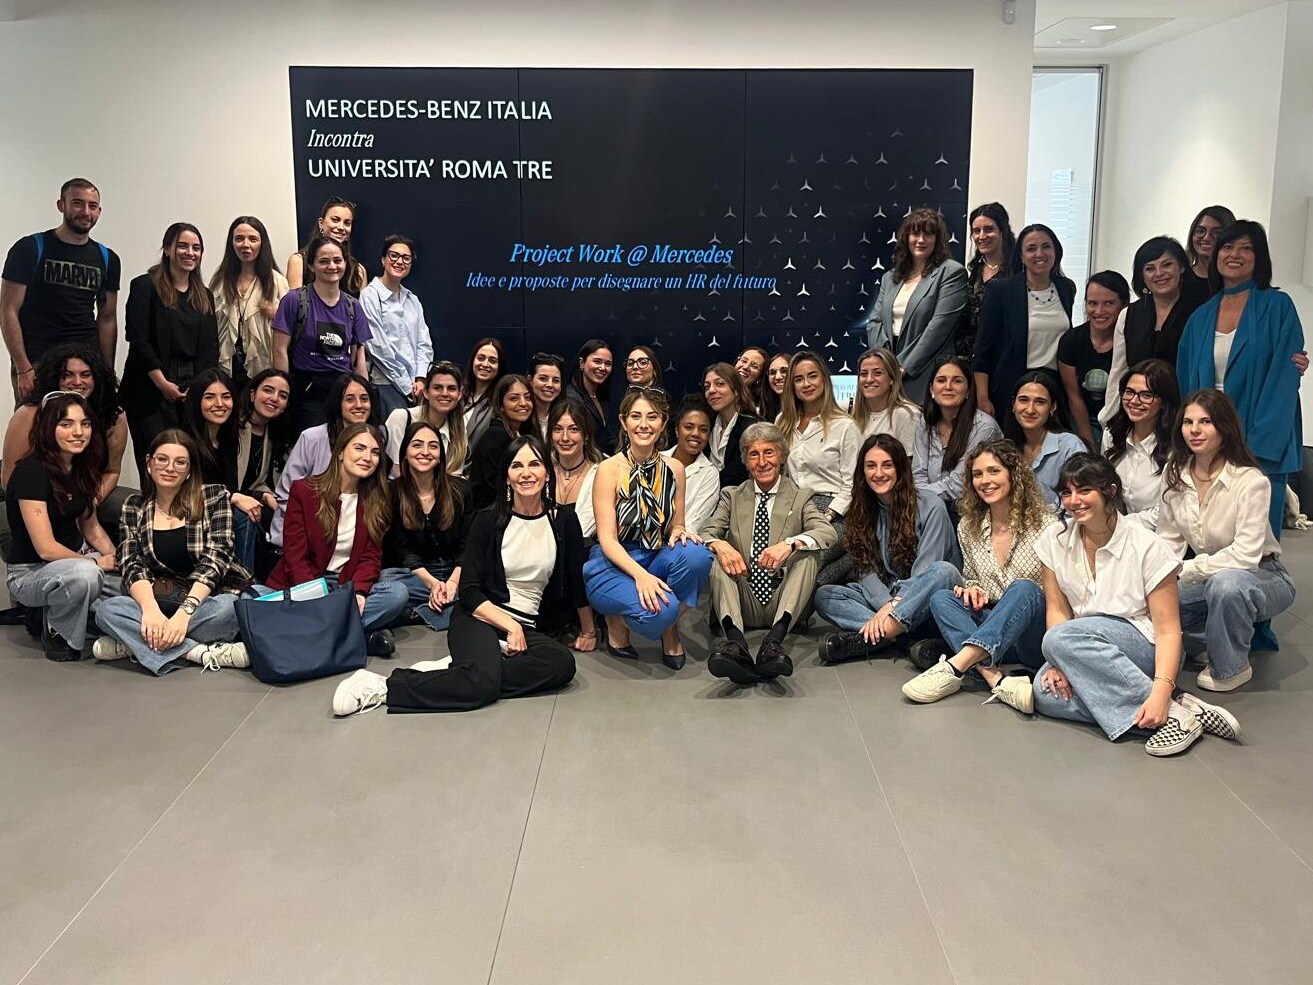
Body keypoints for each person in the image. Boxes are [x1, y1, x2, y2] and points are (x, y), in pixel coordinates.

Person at [332, 436, 580, 716]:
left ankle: (466, 670)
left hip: (529, 624)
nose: (526, 473)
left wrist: (590, 630)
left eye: (534, 464)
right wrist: (511, 627)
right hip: (480, 617)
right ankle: (385, 687)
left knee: (561, 664)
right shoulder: (487, 521)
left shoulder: (563, 520)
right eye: (516, 466)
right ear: (506, 478)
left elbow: (574, 578)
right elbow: (471, 592)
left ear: (547, 472)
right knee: (481, 686)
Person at [1032, 455, 1239, 757]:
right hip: (1079, 645)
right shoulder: (1054, 539)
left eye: (1084, 490)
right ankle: (1179, 709)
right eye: (1066, 492)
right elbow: (1057, 610)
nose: (1074, 501)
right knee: (1044, 694)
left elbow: (1168, 631)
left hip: (1144, 644)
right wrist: (1057, 662)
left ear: (1110, 491)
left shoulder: (1147, 545)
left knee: (1060, 640)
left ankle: (1166, 705)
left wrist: (1161, 686)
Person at [1157, 390, 1296, 692]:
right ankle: (1208, 641)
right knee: (1156, 599)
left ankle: (1230, 667)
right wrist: (1160, 578)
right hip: (1211, 576)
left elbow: (1246, 556)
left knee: (1227, 586)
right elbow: (1167, 541)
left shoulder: (1251, 481)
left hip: (1263, 574)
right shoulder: (1175, 474)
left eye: (1205, 421)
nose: (1194, 430)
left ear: (1224, 427)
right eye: (1188, 422)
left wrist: (1189, 570)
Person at [902, 439, 1057, 709]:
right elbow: (972, 576)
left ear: (1013, 474)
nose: (985, 480)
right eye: (977, 474)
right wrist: (970, 588)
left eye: (994, 471)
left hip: (1032, 632)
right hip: (993, 629)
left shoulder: (1047, 525)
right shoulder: (968, 526)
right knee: (942, 598)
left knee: (1024, 588)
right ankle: (996, 678)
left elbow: (1056, 593)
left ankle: (955, 667)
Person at [1177, 220, 1305, 535]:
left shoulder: (1278, 307)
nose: (1235, 254)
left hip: (1260, 442)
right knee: (1210, 534)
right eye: (1228, 247)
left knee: (1257, 542)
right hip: (1208, 439)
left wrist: (1254, 446)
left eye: (1246, 248)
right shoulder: (1201, 316)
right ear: (1216, 254)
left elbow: (1283, 383)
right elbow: (1186, 383)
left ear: (1259, 257)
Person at [92, 430, 252, 674]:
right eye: (162, 459)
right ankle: (198, 652)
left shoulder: (213, 497)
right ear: (149, 463)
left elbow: (216, 560)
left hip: (205, 599)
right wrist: (150, 611)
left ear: (189, 470)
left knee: (229, 609)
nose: (170, 468)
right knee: (107, 611)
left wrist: (183, 616)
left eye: (180, 462)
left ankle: (136, 643)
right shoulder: (133, 507)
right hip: (159, 597)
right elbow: (131, 564)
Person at [585, 388, 713, 670]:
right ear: (623, 422)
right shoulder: (608, 469)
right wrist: (641, 577)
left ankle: (669, 629)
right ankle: (616, 621)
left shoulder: (675, 468)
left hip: (656, 554)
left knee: (698, 556)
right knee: (661, 611)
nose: (644, 424)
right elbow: (607, 539)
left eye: (652, 417)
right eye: (636, 416)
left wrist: (681, 530)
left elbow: (676, 523)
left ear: (663, 423)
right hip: (615, 561)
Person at [700, 421, 837, 684]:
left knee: (808, 554)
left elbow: (826, 533)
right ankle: (736, 645)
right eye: (754, 454)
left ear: (782, 457)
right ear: (745, 461)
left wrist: (790, 543)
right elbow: (706, 531)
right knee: (717, 557)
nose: (762, 462)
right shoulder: (732, 496)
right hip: (744, 598)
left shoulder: (800, 497)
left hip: (782, 599)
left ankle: (774, 642)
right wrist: (721, 545)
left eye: (769, 453)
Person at [267, 423, 408, 657]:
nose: (367, 457)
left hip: (346, 586)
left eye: (375, 452)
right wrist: (315, 596)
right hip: (305, 584)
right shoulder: (304, 490)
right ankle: (357, 637)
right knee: (257, 596)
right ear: (341, 452)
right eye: (359, 448)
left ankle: (314, 635)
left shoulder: (378, 499)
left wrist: (360, 592)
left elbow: (371, 557)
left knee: (397, 594)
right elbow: (295, 555)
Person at [815, 434, 959, 663]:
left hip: (928, 598)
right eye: (871, 466)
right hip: (890, 598)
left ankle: (875, 636)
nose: (878, 473)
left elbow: (927, 571)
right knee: (826, 596)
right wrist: (887, 606)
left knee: (944, 571)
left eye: (887, 465)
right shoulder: (863, 509)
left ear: (901, 468)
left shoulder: (932, 505)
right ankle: (897, 635)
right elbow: (866, 568)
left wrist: (895, 605)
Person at [4, 392, 115, 660]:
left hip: (76, 560)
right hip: (31, 572)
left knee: (135, 587)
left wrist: (119, 559)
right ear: (47, 428)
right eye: (66, 424)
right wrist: (96, 564)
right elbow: (46, 549)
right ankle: (58, 632)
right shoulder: (31, 472)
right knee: (86, 576)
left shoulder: (82, 468)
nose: (78, 432)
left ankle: (72, 614)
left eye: (85, 424)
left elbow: (92, 529)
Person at [2, 178, 120, 399]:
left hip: (84, 363)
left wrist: (107, 372)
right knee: (33, 428)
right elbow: (8, 310)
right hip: (38, 361)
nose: (85, 211)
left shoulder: (107, 259)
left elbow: (107, 318)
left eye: (92, 206)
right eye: (78, 203)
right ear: (61, 205)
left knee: (85, 429)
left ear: (99, 211)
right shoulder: (29, 248)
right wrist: (23, 368)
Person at [2, 344, 130, 543]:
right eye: (67, 375)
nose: (77, 382)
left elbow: (112, 472)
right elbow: (11, 477)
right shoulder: (29, 414)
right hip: (31, 496)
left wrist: (88, 505)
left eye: (86, 374)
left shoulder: (114, 415)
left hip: (83, 492)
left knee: (133, 507)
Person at [121, 222, 220, 475]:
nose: (190, 253)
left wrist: (197, 389)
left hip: (190, 395)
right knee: (157, 465)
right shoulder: (144, 286)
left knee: (186, 466)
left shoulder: (204, 295)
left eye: (196, 248)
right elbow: (138, 339)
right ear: (167, 249)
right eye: (183, 246)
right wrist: (162, 383)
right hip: (150, 393)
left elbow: (211, 349)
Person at [973, 223, 1077, 419]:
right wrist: (983, 398)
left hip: (1053, 388)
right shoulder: (1000, 291)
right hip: (1012, 386)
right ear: (1021, 256)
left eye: (1046, 246)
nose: (1040, 253)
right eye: (1031, 249)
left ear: (1056, 251)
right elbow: (983, 352)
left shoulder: (1066, 288)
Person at [865, 207, 969, 402]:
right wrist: (886, 365)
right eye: (915, 233)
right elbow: (874, 321)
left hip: (925, 372)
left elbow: (938, 328)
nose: (920, 240)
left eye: (928, 234)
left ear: (938, 240)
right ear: (906, 238)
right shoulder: (891, 277)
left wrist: (903, 367)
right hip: (889, 375)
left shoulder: (951, 273)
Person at [1099, 237, 1205, 426]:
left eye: (1167, 265)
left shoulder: (1200, 312)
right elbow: (1119, 372)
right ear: (1142, 276)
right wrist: (1110, 418)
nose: (1159, 273)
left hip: (1182, 416)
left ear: (1181, 267)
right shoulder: (1129, 314)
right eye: (1150, 268)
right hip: (1137, 416)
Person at [271, 235, 371, 434]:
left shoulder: (354, 306)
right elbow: (279, 350)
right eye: (323, 261)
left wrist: (364, 396)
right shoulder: (294, 301)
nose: (332, 266)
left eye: (337, 260)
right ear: (311, 266)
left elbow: (359, 359)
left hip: (343, 393)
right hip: (306, 394)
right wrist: (284, 393)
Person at [380, 420, 473, 633]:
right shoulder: (391, 492)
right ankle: (445, 608)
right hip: (414, 576)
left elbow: (466, 545)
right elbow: (402, 550)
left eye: (433, 446)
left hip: (454, 572)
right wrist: (432, 583)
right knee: (389, 583)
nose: (425, 452)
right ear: (404, 452)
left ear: (441, 454)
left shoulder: (460, 490)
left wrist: (451, 583)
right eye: (417, 445)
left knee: (480, 586)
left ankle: (414, 614)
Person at [270, 373, 377, 546]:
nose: (359, 405)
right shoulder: (312, 438)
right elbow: (286, 494)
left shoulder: (377, 439)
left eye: (364, 399)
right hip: (302, 533)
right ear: (338, 404)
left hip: (352, 533)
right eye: (350, 399)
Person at [778, 350, 861, 523]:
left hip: (835, 509)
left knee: (805, 550)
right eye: (798, 379)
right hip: (792, 507)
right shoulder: (783, 421)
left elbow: (852, 485)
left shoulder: (845, 425)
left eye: (813, 376)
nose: (806, 384)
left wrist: (829, 514)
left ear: (824, 378)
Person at [208, 215, 288, 385]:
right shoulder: (220, 281)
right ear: (232, 243)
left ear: (262, 243)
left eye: (253, 239)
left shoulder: (277, 282)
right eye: (239, 239)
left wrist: (277, 314)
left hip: (263, 366)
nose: (246, 245)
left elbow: (293, 326)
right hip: (226, 367)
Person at [913, 356, 1002, 507]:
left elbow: (960, 485)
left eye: (957, 381)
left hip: (972, 511)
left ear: (968, 391)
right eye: (941, 380)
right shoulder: (925, 422)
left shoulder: (984, 427)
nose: (948, 386)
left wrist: (918, 496)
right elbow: (918, 474)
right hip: (930, 507)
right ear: (931, 389)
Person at [361, 234, 432, 419]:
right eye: (394, 255)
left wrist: (420, 378)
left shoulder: (413, 300)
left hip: (415, 389)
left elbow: (424, 343)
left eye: (406, 258)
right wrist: (405, 384)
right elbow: (377, 347)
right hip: (385, 383)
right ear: (383, 259)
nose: (400, 261)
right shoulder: (370, 295)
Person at [1101, 359, 1179, 527]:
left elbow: (1166, 512)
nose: (1134, 401)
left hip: (1158, 537)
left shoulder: (1176, 446)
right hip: (1115, 530)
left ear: (1164, 402)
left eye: (1146, 395)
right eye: (1129, 392)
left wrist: (1118, 524)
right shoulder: (1112, 433)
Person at [232, 368, 293, 570]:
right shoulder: (231, 427)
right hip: (224, 500)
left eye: (282, 396)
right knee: (247, 517)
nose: (274, 398)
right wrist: (261, 496)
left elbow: (259, 480)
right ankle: (243, 580)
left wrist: (267, 495)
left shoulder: (271, 434)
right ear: (252, 395)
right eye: (268, 390)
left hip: (251, 498)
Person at [1058, 271, 1127, 446]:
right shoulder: (1071, 340)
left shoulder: (1132, 341)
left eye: (1109, 303)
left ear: (1124, 305)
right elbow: (1074, 398)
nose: (1099, 311)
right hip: (1081, 418)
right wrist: (1087, 444)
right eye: (1092, 303)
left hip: (1121, 419)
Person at [1002, 370, 1088, 506]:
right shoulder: (1005, 448)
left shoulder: (1070, 446)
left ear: (1052, 407)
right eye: (1023, 400)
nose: (1030, 409)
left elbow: (1078, 502)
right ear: (1013, 404)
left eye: (1040, 402)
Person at [383, 361, 468, 476]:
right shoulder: (401, 418)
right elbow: (396, 471)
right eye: (437, 388)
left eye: (451, 388)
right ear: (426, 392)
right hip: (400, 491)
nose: (444, 393)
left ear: (459, 395)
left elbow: (454, 476)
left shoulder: (459, 428)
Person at [958, 202, 1015, 361]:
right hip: (969, 359)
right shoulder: (974, 270)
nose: (982, 236)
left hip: (1003, 359)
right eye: (976, 231)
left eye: (989, 229)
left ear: (1003, 230)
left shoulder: (1019, 271)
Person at [469, 374, 535, 509]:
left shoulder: (517, 433)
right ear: (500, 405)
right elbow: (493, 490)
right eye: (514, 398)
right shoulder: (496, 436)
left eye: (527, 397)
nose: (523, 403)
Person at [286, 196, 367, 295]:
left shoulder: (358, 270)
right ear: (321, 223)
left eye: (347, 223)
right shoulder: (299, 262)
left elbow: (361, 309)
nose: (341, 227)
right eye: (335, 220)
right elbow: (294, 306)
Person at [549, 398, 605, 541]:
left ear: (586, 436)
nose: (565, 438)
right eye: (557, 429)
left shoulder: (600, 475)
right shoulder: (542, 473)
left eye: (574, 429)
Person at [850, 347, 923, 456]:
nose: (869, 379)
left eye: (877, 373)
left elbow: (909, 468)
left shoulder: (908, 415)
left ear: (892, 379)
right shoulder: (848, 410)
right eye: (864, 374)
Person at [663, 401, 720, 539]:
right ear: (677, 430)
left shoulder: (709, 473)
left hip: (680, 541)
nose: (696, 434)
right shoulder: (656, 459)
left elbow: (694, 522)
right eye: (689, 427)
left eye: (703, 429)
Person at [703, 362, 760, 489]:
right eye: (707, 386)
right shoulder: (707, 425)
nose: (711, 390)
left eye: (720, 384)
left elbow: (738, 474)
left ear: (737, 390)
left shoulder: (752, 427)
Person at [565, 339, 616, 453]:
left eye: (608, 364)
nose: (602, 368)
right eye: (597, 361)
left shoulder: (601, 397)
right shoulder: (571, 399)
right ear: (582, 363)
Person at [461, 337, 507, 450]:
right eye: (481, 358)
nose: (485, 364)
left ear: (499, 366)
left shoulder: (501, 402)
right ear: (473, 360)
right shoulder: (458, 394)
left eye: (492, 361)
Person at [1185, 205, 1236, 289]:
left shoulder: (1236, 282)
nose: (1206, 238)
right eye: (1200, 231)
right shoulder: (1179, 280)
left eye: (1217, 232)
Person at [528, 352, 565, 439]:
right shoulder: (519, 417)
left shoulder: (566, 417)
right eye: (543, 379)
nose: (550, 385)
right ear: (530, 380)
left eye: (556, 380)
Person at [734, 345, 770, 414]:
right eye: (744, 361)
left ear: (760, 378)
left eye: (754, 366)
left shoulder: (759, 410)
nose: (746, 367)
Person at [761, 352, 790, 424]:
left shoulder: (806, 412)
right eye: (772, 373)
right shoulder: (763, 413)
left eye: (784, 371)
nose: (777, 377)